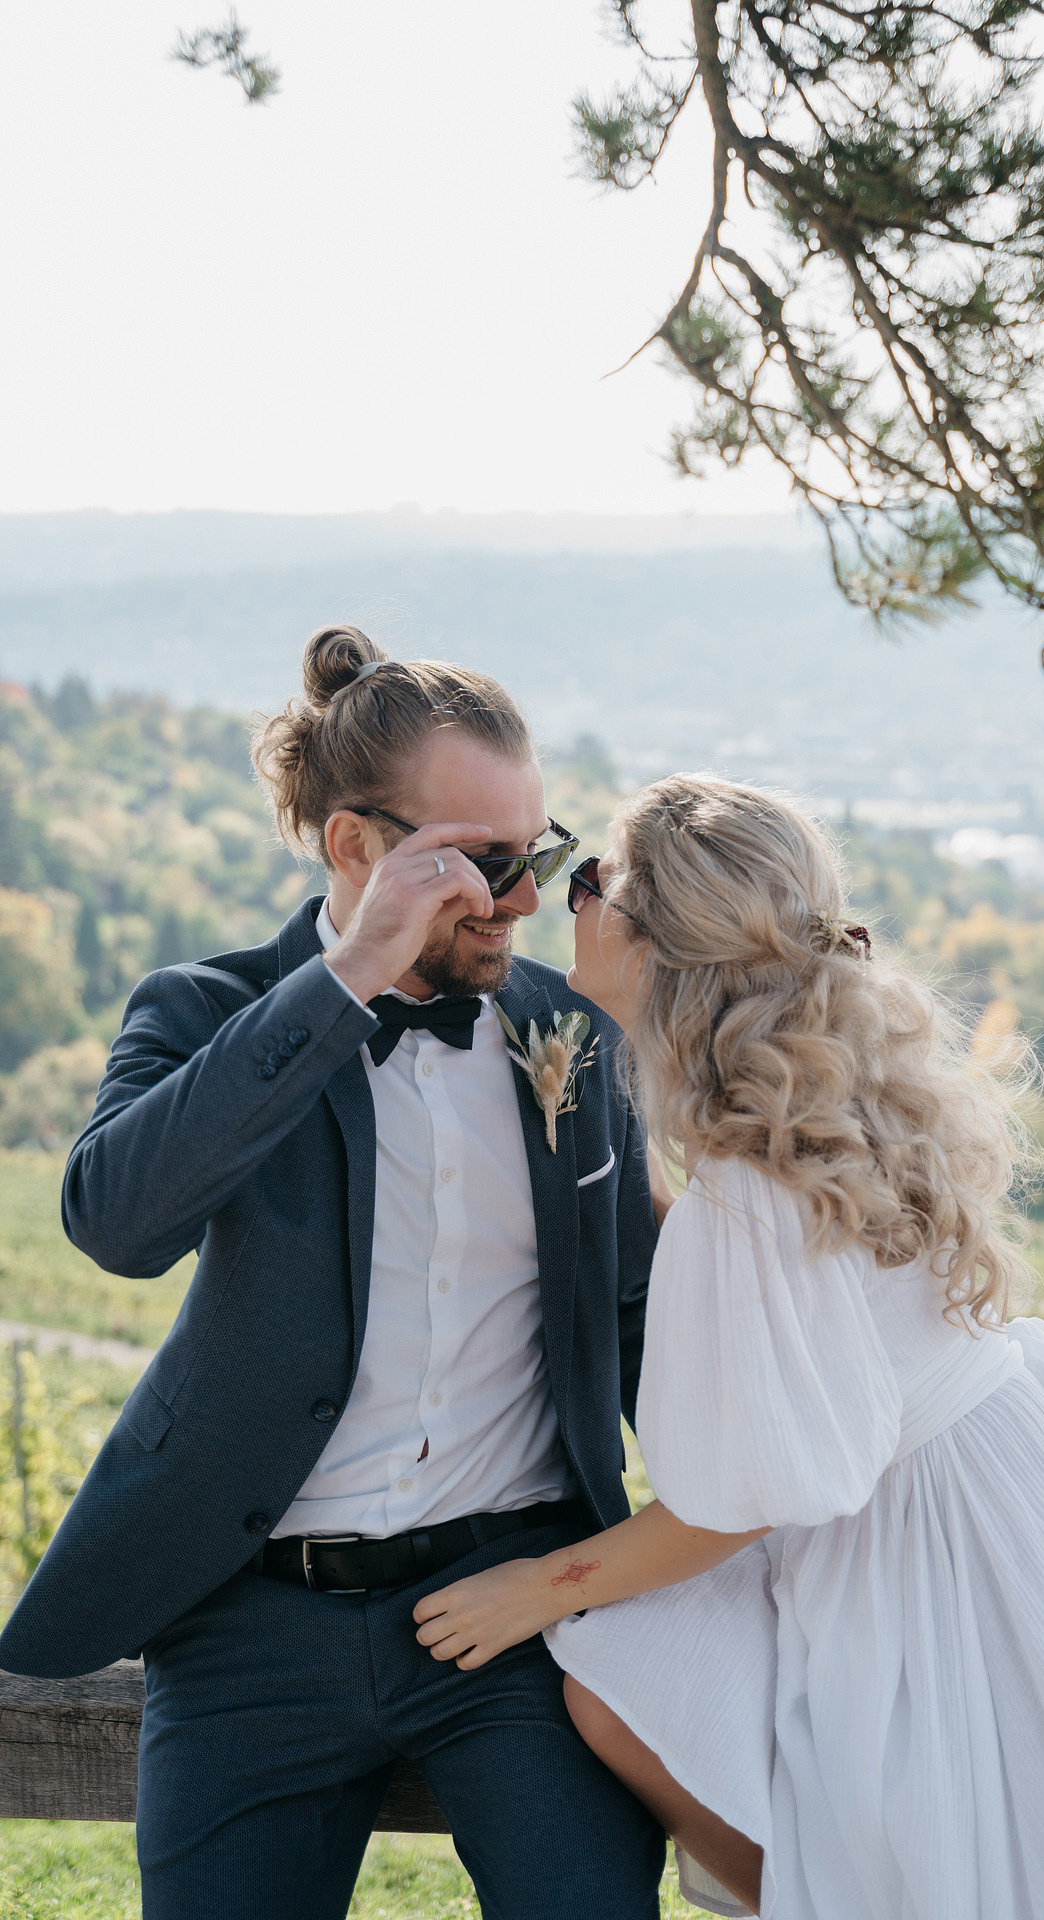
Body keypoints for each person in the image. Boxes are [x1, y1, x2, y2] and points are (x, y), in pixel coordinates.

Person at [412, 773, 1044, 1920]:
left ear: (658, 938)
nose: (561, 899)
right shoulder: (815, 1107)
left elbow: (740, 1502)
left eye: (590, 880)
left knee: (615, 1680)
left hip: (926, 1541)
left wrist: (534, 1587)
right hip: (1009, 1497)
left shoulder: (747, 1185)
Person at [0, 628, 667, 1920]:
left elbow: (637, 1317)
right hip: (250, 1626)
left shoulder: (568, 1036)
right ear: (355, 846)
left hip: (512, 1611)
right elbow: (118, 1228)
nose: (523, 901)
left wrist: (761, 1531)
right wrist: (351, 972)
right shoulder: (203, 1010)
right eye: (483, 864)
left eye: (534, 854)